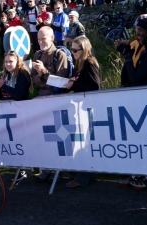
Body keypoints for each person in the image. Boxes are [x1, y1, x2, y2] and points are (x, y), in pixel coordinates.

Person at [115, 14, 147, 189]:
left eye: (141, 30)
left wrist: (127, 56)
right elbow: (128, 72)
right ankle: (137, 170)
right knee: (135, 137)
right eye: (136, 30)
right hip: (135, 99)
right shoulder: (141, 46)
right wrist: (126, 55)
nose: (137, 33)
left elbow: (137, 78)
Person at [31, 26, 69, 182]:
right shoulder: (37, 54)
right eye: (39, 39)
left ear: (52, 38)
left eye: (43, 38)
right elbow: (33, 79)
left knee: (59, 137)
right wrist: (40, 74)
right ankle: (45, 169)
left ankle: (63, 169)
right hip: (42, 97)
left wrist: (43, 73)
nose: (40, 42)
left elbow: (62, 80)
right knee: (43, 137)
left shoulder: (60, 55)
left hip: (56, 98)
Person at [63, 36, 100, 187]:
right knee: (85, 142)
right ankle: (90, 175)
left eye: (75, 50)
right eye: (71, 49)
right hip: (83, 106)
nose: (72, 53)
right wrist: (72, 84)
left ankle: (82, 178)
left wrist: (74, 85)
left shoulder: (89, 62)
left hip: (88, 107)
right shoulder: (80, 62)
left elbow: (94, 86)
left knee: (83, 143)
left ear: (84, 50)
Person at [0, 50, 33, 182]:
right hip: (8, 114)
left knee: (21, 141)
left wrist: (3, 86)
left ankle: (24, 169)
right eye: (6, 62)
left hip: (20, 113)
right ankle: (18, 167)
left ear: (18, 62)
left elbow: (19, 94)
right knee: (13, 142)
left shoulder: (23, 74)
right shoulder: (6, 75)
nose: (8, 64)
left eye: (11, 61)